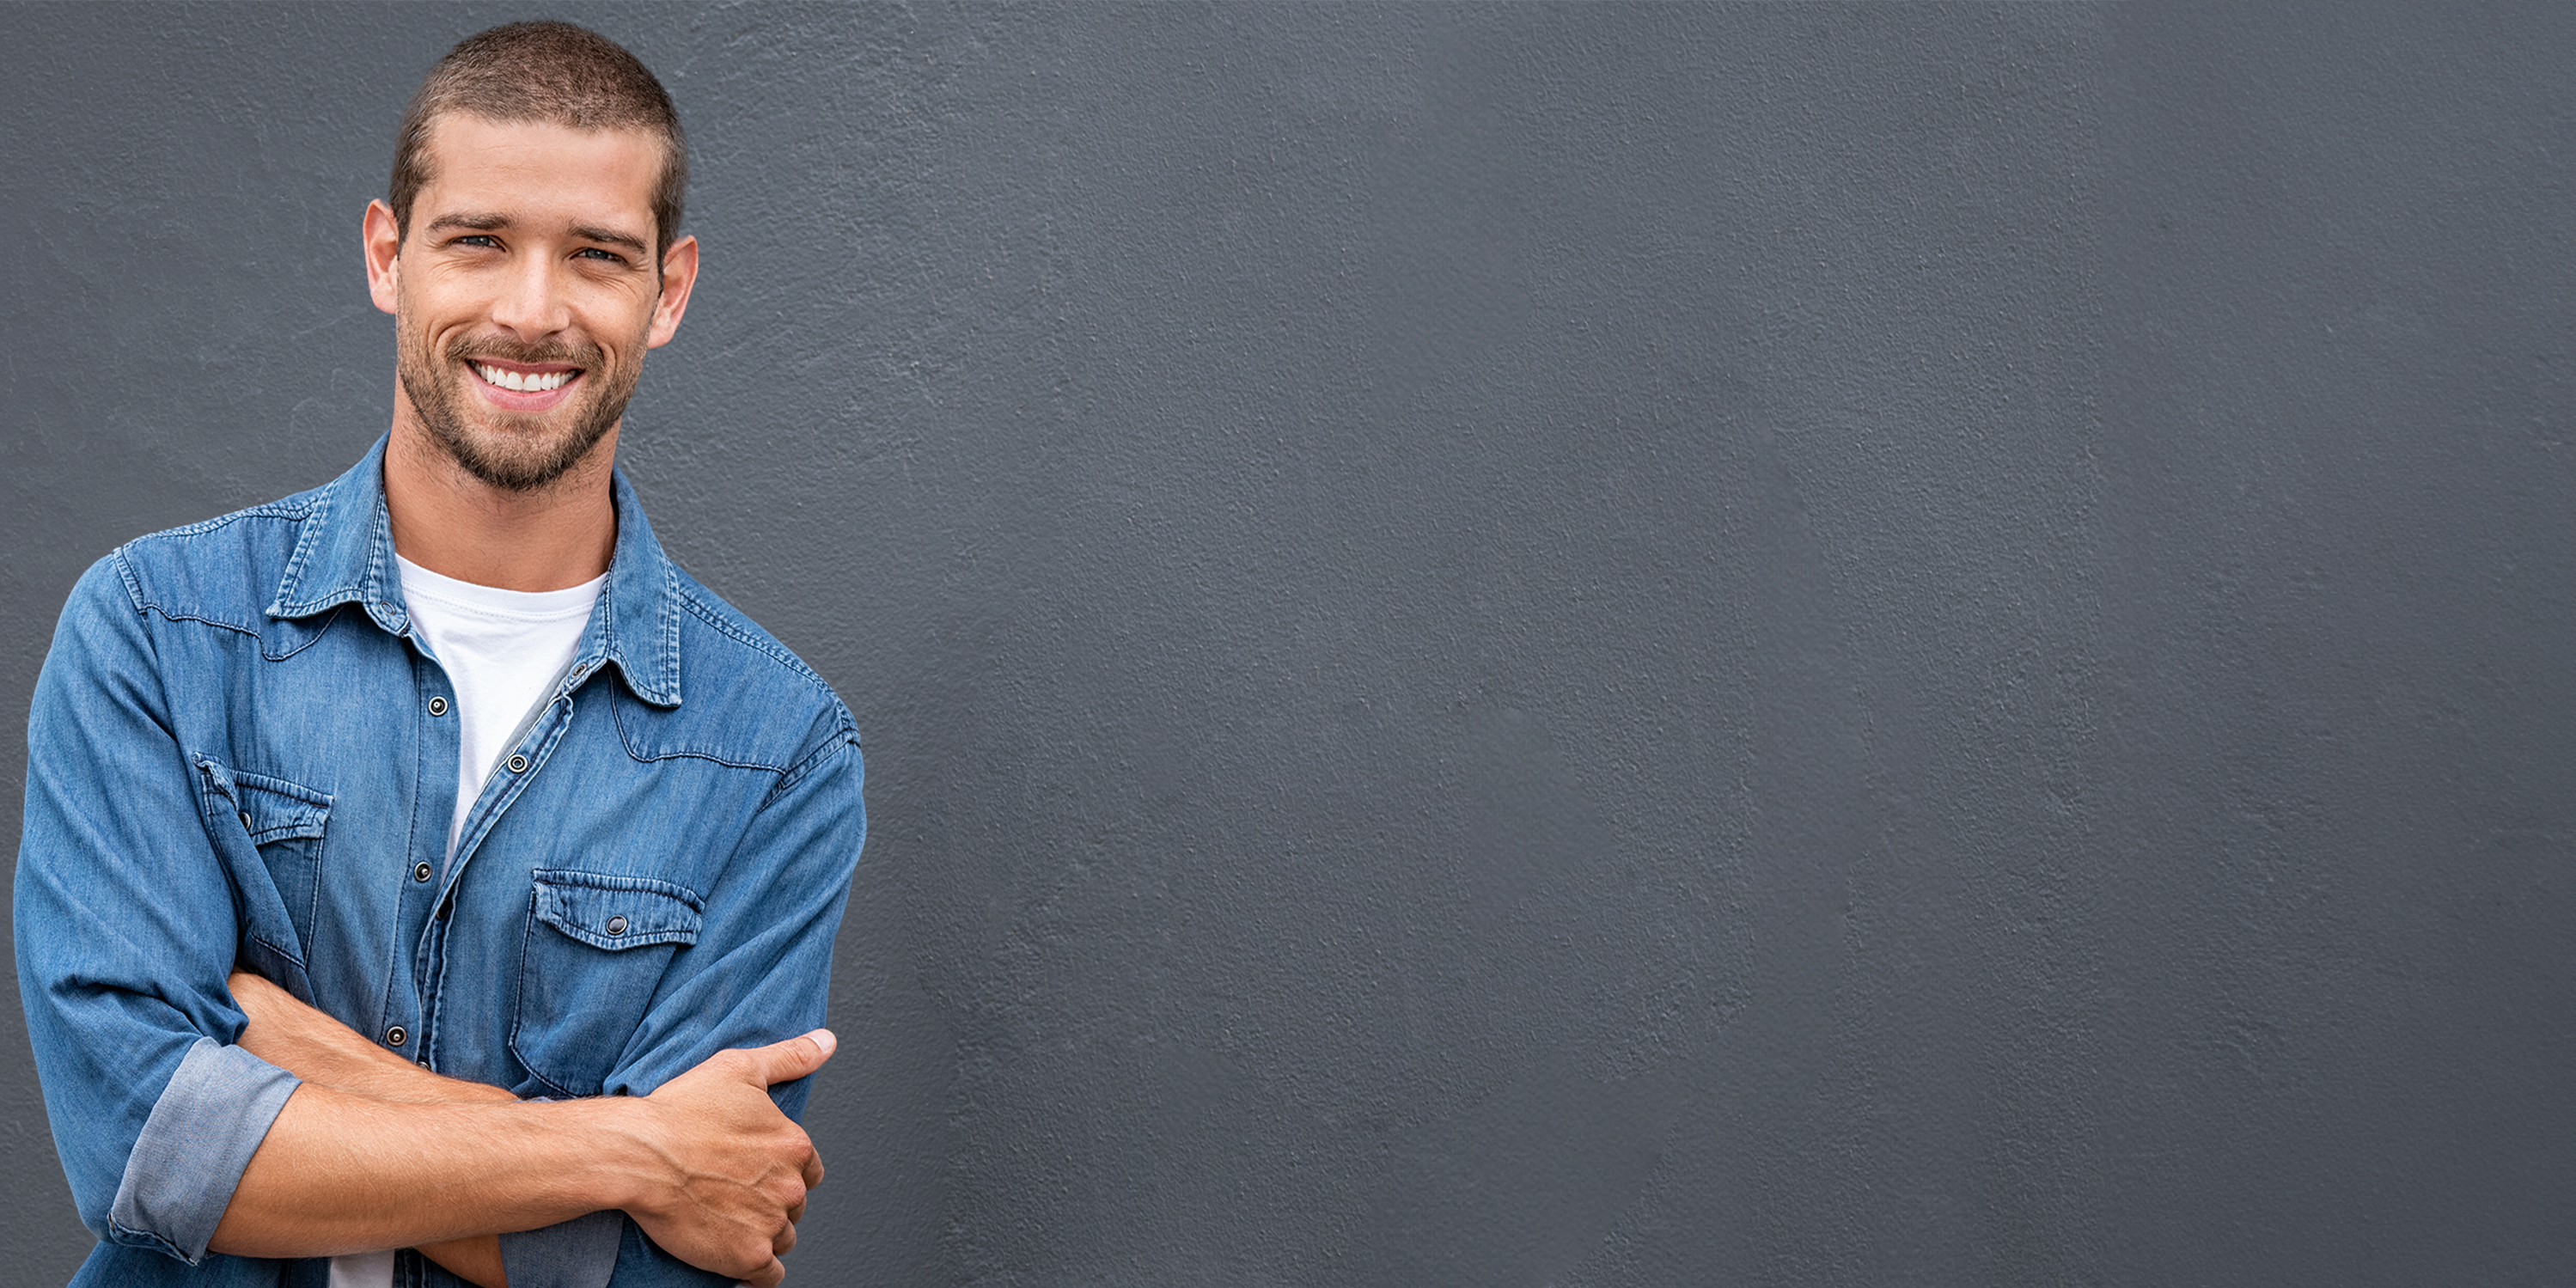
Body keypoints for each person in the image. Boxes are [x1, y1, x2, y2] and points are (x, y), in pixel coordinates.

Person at [14, 21, 865, 1288]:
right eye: (478, 241)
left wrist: (284, 1048)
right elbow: (146, 1147)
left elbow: (669, 1264)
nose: (532, 311)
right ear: (387, 255)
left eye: (595, 256)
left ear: (668, 290)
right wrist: (637, 1149)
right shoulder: (156, 628)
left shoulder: (775, 748)